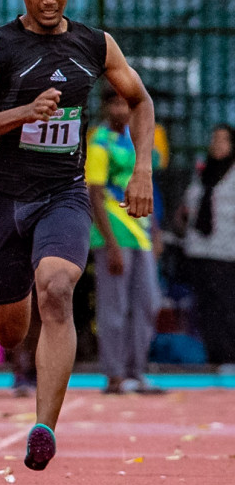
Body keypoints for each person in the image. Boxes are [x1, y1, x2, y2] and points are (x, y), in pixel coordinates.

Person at [0, 0, 154, 472]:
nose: (49, 0)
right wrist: (21, 113)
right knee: (11, 328)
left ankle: (44, 427)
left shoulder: (95, 45)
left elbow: (139, 99)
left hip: (62, 194)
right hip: (2, 197)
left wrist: (142, 170)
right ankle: (24, 351)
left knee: (57, 291)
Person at [86, 89, 164, 394]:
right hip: (114, 235)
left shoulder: (137, 142)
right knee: (113, 306)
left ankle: (137, 370)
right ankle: (115, 375)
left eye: (126, 105)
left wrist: (154, 231)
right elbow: (94, 193)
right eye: (115, 104)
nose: (122, 110)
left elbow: (146, 188)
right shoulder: (100, 143)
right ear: (106, 108)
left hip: (140, 233)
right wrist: (110, 243)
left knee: (148, 303)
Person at [179, 123, 235, 366]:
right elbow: (188, 204)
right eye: (214, 139)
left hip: (227, 250)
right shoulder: (203, 171)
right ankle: (213, 356)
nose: (217, 144)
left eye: (223, 140)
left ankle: (229, 356)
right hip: (199, 248)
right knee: (205, 306)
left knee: (226, 305)